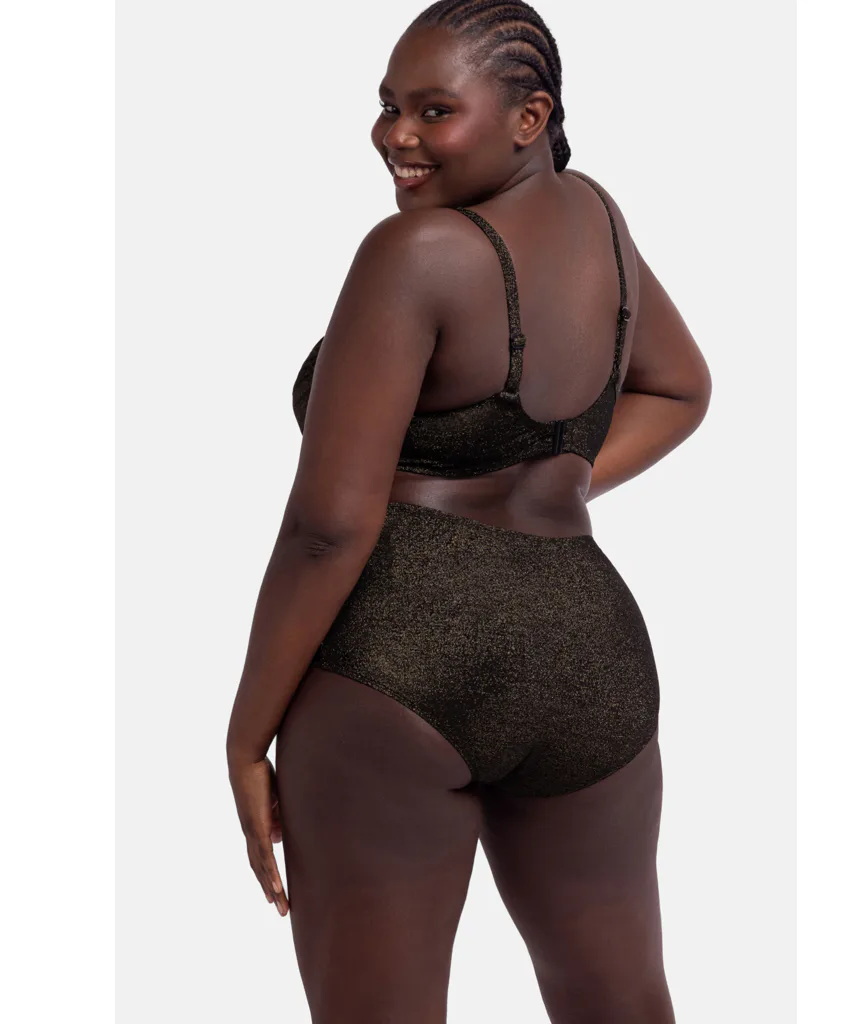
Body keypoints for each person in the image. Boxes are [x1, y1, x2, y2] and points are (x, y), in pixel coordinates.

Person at [224, 2, 710, 1019]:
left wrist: (245, 733)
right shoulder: (597, 218)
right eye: (388, 106)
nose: (395, 135)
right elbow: (679, 388)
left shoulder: (415, 253)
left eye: (434, 110)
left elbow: (327, 529)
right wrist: (553, 481)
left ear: (531, 118)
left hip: (395, 665)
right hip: (589, 655)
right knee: (619, 1001)